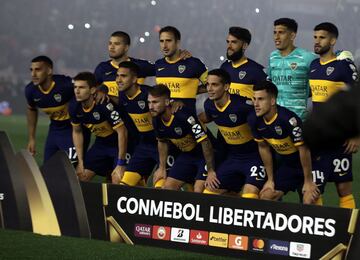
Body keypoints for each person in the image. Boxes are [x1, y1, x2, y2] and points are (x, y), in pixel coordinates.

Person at [308, 22, 359, 208]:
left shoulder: (344, 67)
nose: (317, 41)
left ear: (333, 40)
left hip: (340, 138)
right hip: (318, 139)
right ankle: (317, 236)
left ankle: (349, 236)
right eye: (315, 37)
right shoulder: (313, 65)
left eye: (322, 37)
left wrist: (355, 135)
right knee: (314, 189)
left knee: (343, 189)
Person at [248, 80, 322, 205]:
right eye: (254, 99)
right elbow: (263, 147)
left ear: (272, 101)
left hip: (312, 163)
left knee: (309, 200)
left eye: (261, 99)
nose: (256, 104)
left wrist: (308, 181)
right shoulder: (254, 119)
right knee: (266, 196)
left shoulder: (288, 120)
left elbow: (303, 149)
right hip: (289, 165)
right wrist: (270, 180)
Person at [199, 69, 266, 197]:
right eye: (207, 84)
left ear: (226, 86)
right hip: (233, 158)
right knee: (209, 192)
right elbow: (204, 118)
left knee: (249, 195)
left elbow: (264, 122)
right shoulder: (209, 105)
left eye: (214, 84)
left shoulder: (243, 106)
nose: (209, 88)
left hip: (254, 158)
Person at [148, 84, 216, 192]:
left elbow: (205, 142)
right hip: (187, 156)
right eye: (149, 102)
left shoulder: (184, 116)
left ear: (167, 102)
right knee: (168, 188)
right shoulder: (156, 119)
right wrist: (161, 167)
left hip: (204, 155)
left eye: (155, 102)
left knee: (198, 190)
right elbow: (162, 142)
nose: (151, 107)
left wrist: (211, 170)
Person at [114, 61, 168, 187]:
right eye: (117, 76)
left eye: (123, 76)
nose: (118, 80)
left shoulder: (148, 95)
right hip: (144, 146)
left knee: (162, 187)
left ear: (134, 79)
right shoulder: (122, 96)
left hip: (163, 145)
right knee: (123, 186)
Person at [70, 72, 128, 183]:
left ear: (92, 90)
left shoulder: (104, 104)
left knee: (117, 180)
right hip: (101, 144)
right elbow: (77, 132)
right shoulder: (74, 107)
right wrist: (81, 162)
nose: (77, 91)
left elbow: (122, 132)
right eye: (75, 87)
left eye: (81, 87)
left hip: (119, 144)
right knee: (81, 177)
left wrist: (121, 163)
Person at [25, 56, 82, 164]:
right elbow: (31, 109)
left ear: (49, 71)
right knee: (49, 168)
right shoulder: (30, 91)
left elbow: (86, 85)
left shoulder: (65, 84)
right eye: (31, 70)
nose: (33, 74)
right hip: (55, 129)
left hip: (74, 128)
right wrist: (31, 138)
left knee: (72, 167)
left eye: (38, 70)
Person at [268, 18, 317, 121]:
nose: (276, 37)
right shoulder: (272, 57)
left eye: (281, 33)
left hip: (299, 120)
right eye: (274, 32)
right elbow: (270, 85)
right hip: (276, 120)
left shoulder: (307, 57)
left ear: (292, 35)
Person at [155, 26, 208, 115]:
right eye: (161, 41)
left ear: (177, 42)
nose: (164, 45)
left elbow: (213, 85)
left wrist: (191, 90)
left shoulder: (194, 63)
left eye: (168, 41)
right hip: (165, 124)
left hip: (188, 122)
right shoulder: (158, 64)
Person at [94, 31, 155, 98]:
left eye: (116, 44)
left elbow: (163, 69)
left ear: (126, 47)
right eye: (110, 43)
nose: (112, 47)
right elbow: (92, 89)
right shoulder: (102, 68)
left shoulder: (140, 65)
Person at [220, 27, 267, 99]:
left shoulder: (257, 71)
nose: (229, 46)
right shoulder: (224, 67)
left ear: (244, 45)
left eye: (234, 42)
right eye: (228, 42)